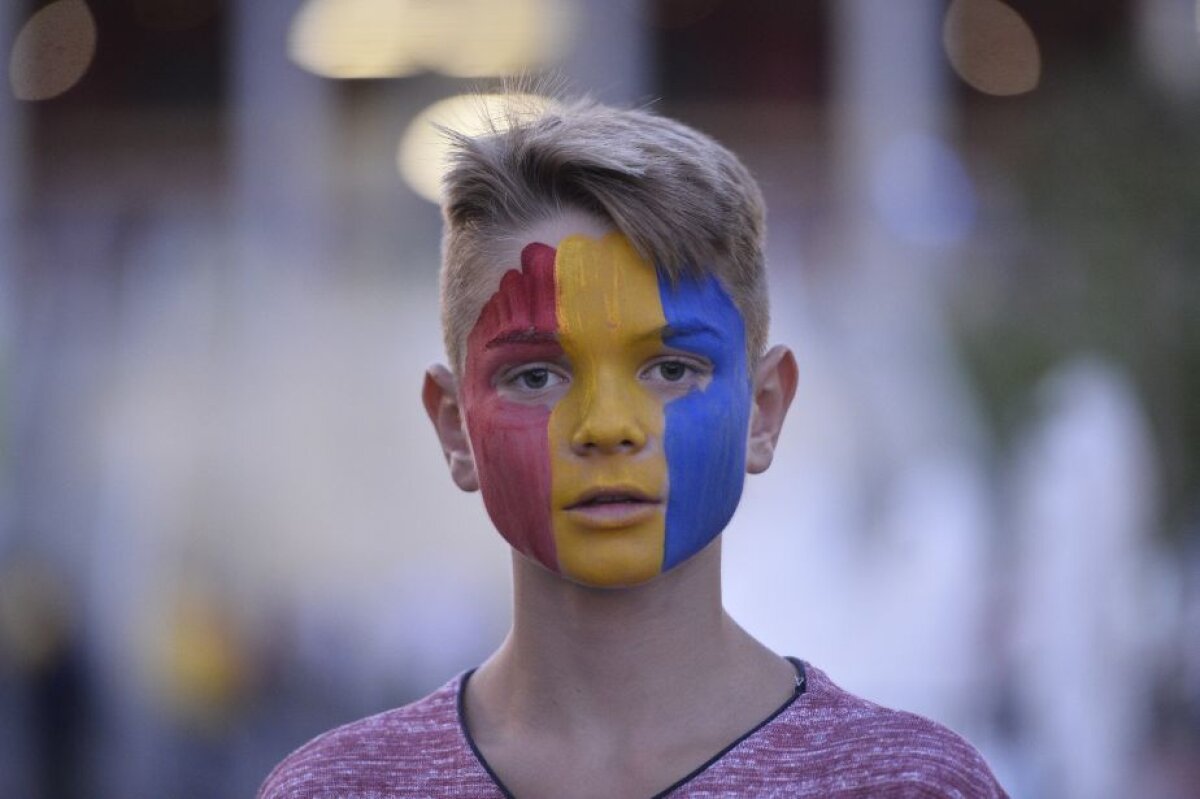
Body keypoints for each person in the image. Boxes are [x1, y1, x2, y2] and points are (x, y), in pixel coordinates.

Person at [257, 94, 1007, 798]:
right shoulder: (339, 788)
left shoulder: (905, 785)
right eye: (536, 373)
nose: (608, 425)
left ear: (764, 409)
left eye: (672, 368)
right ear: (455, 424)